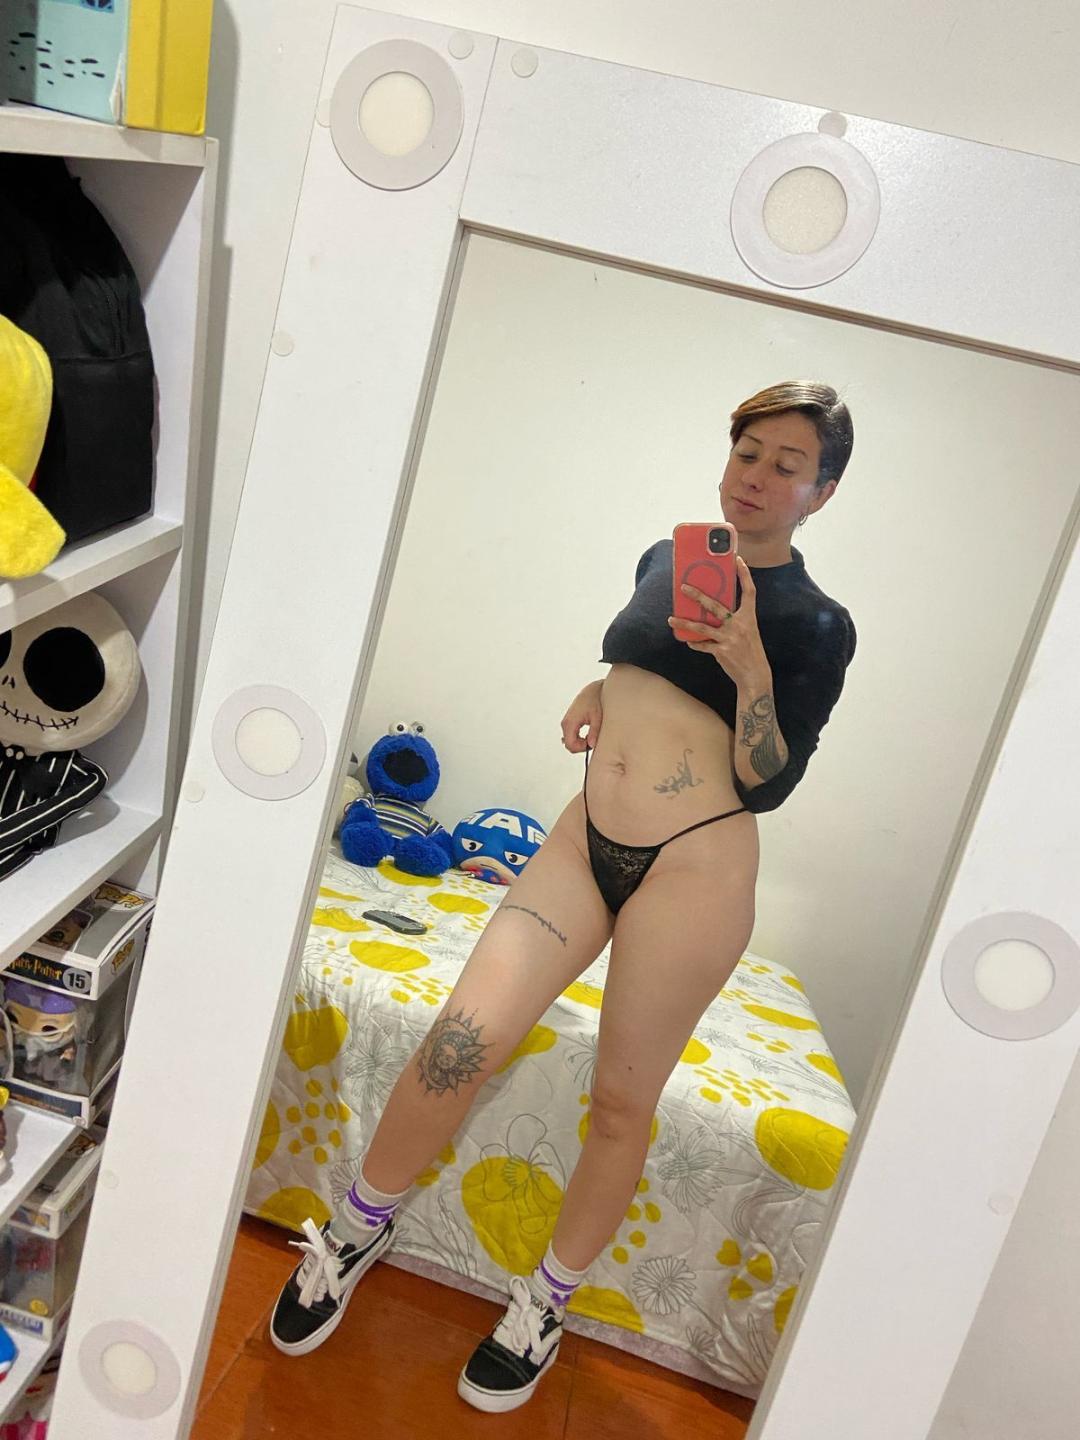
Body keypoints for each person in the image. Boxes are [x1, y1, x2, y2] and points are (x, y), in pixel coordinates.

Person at [269, 380, 857, 1413]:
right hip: (585, 840)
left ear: (822, 492)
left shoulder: (817, 623)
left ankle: (543, 1303)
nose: (757, 477)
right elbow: (639, 668)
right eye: (748, 452)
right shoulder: (669, 557)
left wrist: (752, 666)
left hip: (694, 867)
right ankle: (358, 1229)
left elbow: (768, 778)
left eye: (787, 465)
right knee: (461, 1036)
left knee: (622, 1103)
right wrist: (598, 691)